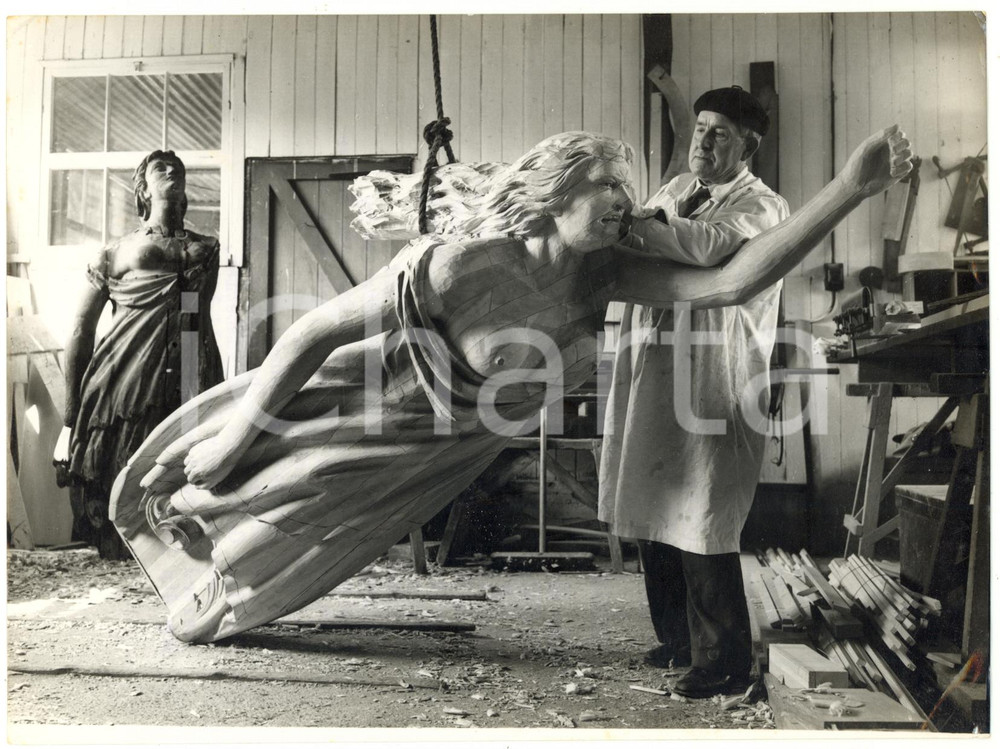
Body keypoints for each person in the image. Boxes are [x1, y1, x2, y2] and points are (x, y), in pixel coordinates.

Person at [110, 127, 911, 644]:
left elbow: (734, 282)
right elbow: (314, 331)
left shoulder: (606, 280)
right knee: (266, 481)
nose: (626, 209)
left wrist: (850, 186)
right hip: (369, 404)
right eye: (609, 189)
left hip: (438, 454)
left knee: (302, 546)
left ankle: (224, 586)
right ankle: (187, 521)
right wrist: (236, 433)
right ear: (558, 189)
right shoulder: (466, 261)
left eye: (630, 197)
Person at [598, 86, 791, 697]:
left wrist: (639, 226)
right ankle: (679, 639)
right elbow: (637, 239)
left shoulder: (764, 206)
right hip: (655, 365)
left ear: (749, 146)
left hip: (714, 375)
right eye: (700, 129)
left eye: (720, 135)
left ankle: (723, 661)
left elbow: (704, 246)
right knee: (654, 504)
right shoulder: (676, 191)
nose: (703, 142)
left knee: (704, 515)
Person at [53, 150, 224, 559]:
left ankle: (177, 549)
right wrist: (69, 419)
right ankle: (118, 545)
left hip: (184, 363)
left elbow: (193, 318)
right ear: (143, 187)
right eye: (160, 168)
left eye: (178, 168)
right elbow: (81, 329)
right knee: (117, 455)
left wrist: (199, 385)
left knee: (183, 453)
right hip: (122, 369)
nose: (172, 172)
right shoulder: (114, 253)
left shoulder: (206, 250)